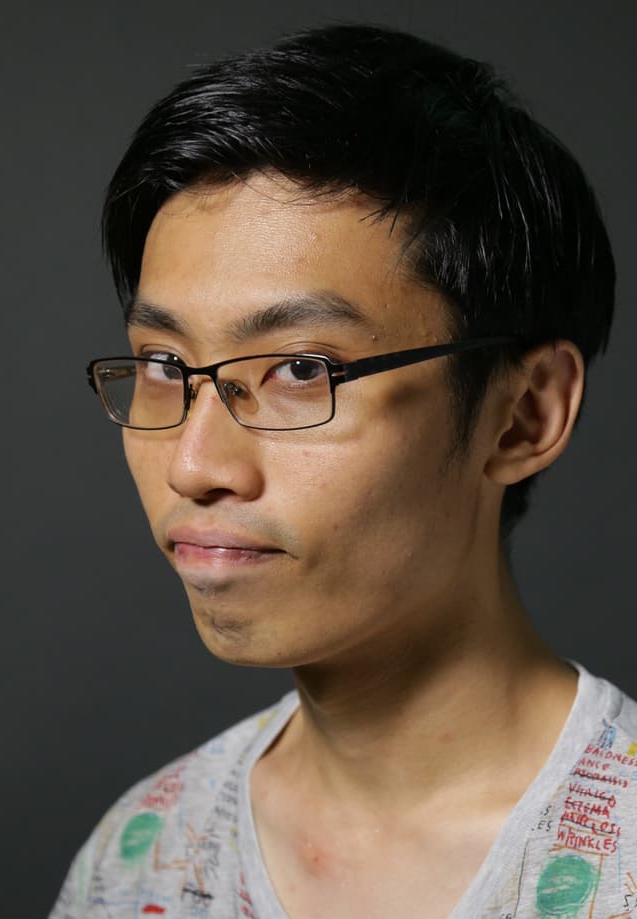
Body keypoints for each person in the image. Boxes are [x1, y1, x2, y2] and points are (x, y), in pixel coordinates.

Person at [49, 22, 633, 919]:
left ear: (525, 414)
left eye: (299, 370)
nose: (196, 465)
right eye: (164, 366)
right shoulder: (140, 860)